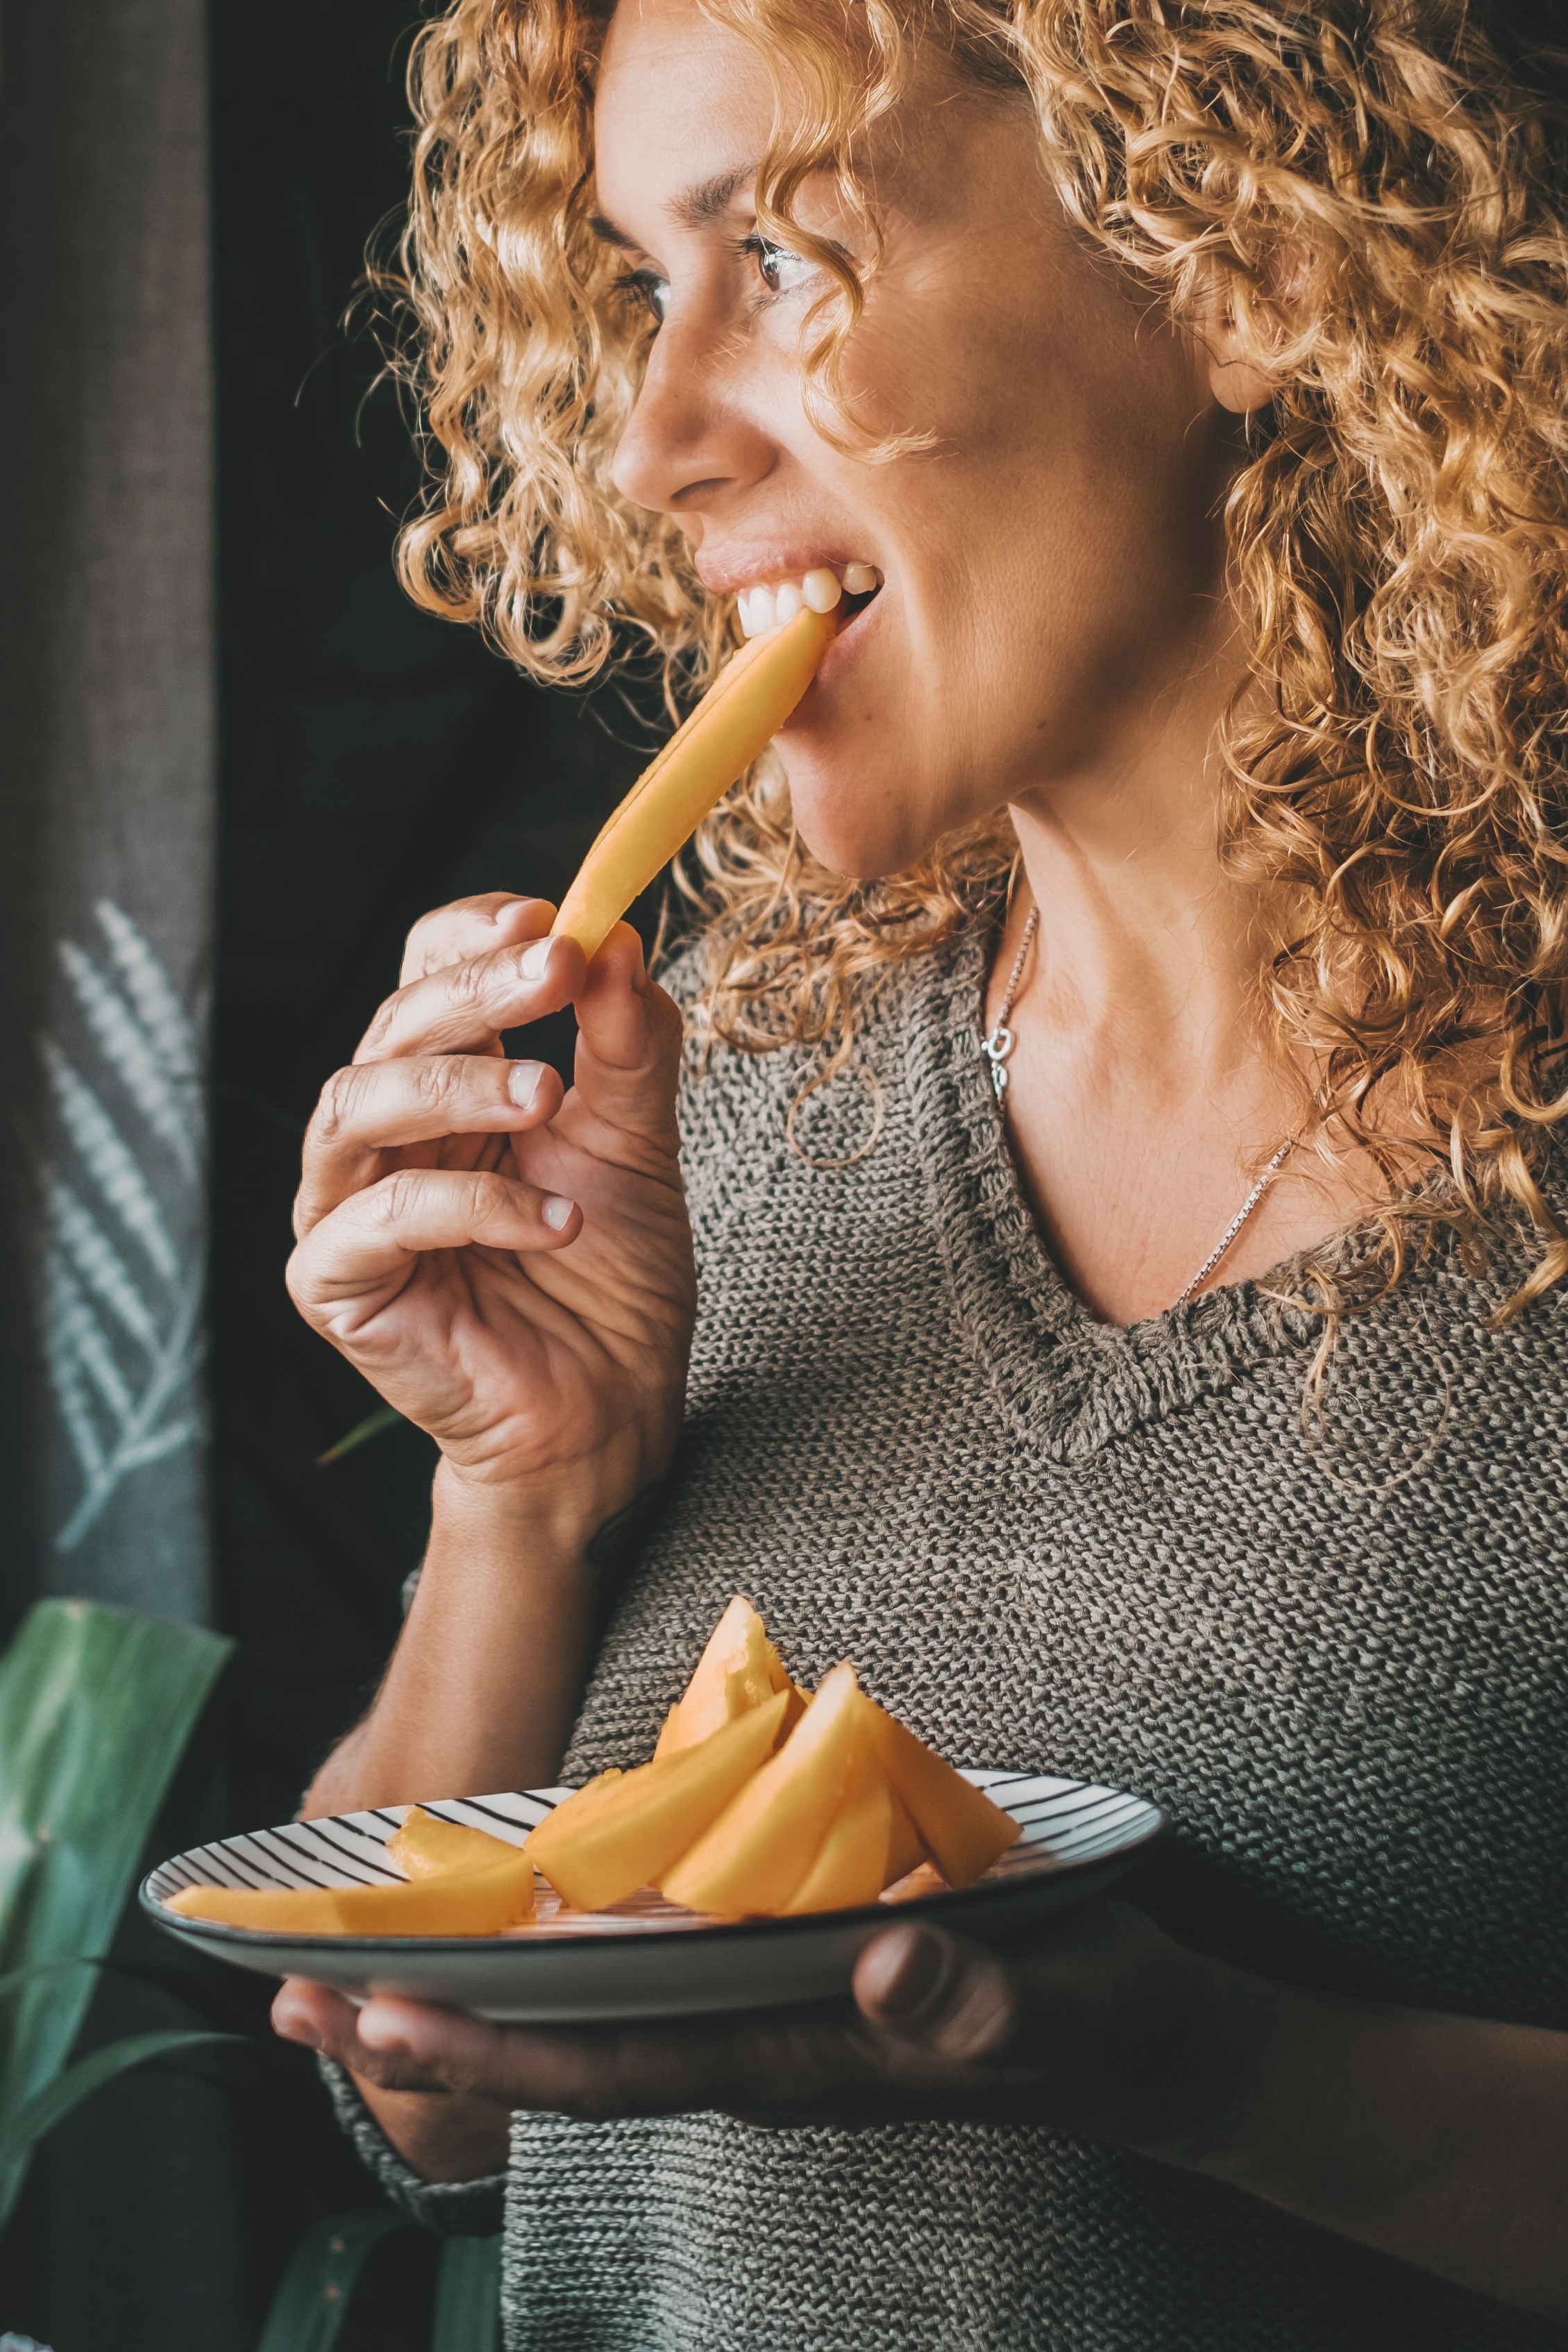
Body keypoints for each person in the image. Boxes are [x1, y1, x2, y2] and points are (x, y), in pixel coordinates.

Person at [270, 0, 1568, 2342]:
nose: (654, 438)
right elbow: (438, 2111)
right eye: (631, 285)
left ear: (1238, 264)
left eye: (777, 253)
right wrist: (526, 1493)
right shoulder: (744, 1120)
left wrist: (1199, 2065)